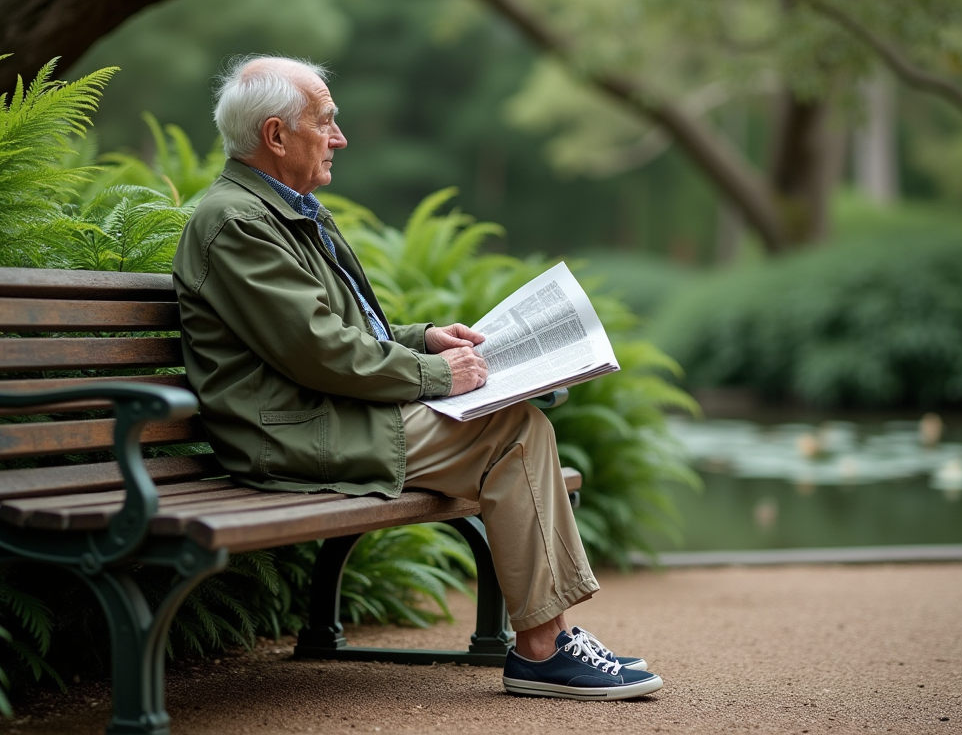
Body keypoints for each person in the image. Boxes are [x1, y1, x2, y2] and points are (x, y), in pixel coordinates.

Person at [171, 55, 662, 700]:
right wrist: (435, 374)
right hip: (291, 434)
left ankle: (548, 643)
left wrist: (422, 338)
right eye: (326, 122)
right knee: (512, 430)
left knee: (516, 427)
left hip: (323, 415)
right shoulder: (237, 221)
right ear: (275, 136)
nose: (339, 138)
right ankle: (543, 651)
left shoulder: (276, 209)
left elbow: (334, 332)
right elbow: (320, 353)